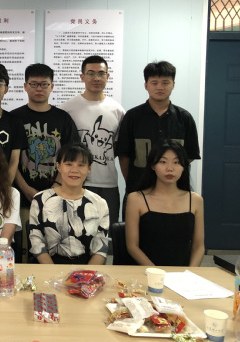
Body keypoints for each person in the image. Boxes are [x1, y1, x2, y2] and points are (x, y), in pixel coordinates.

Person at [116, 61, 201, 200]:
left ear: (173, 84)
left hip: (175, 190)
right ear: (146, 85)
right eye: (154, 83)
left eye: (165, 82)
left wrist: (170, 170)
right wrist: (132, 182)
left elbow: (190, 155)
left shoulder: (184, 118)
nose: (160, 87)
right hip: (139, 189)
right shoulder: (132, 117)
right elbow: (124, 155)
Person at [59, 55, 125, 226]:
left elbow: (117, 147)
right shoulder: (68, 109)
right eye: (91, 73)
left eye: (101, 73)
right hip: (75, 181)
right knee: (74, 230)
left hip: (108, 183)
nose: (96, 78)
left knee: (107, 231)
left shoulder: (117, 110)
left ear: (107, 76)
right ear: (82, 77)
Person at [124, 140, 204, 267]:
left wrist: (190, 273)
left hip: (183, 274)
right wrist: (158, 273)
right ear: (153, 165)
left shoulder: (195, 200)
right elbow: (132, 246)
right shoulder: (136, 199)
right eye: (163, 162)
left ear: (184, 166)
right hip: (146, 272)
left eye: (176, 162)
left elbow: (199, 246)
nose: (170, 168)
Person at [29, 143, 110, 265]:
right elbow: (36, 240)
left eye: (81, 165)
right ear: (59, 166)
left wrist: (85, 274)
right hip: (48, 266)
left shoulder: (99, 203)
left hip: (87, 267)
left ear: (89, 168)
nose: (74, 170)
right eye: (68, 164)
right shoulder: (41, 199)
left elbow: (101, 247)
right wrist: (52, 272)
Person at [12, 63, 78, 204]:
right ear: (25, 86)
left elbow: (71, 156)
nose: (39, 88)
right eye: (34, 84)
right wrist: (25, 189)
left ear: (51, 86)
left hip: (58, 195)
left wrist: (56, 187)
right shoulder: (14, 118)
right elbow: (9, 160)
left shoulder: (63, 119)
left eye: (44, 84)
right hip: (21, 197)